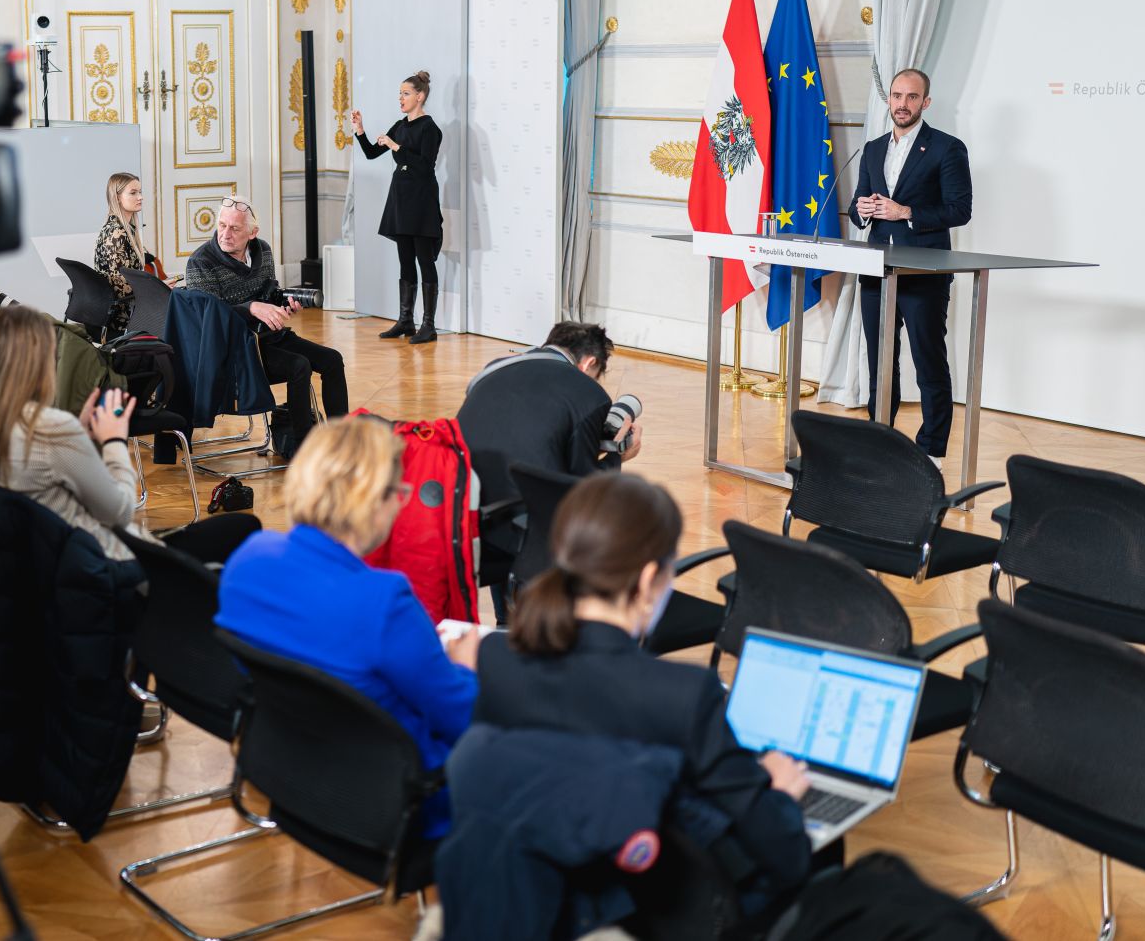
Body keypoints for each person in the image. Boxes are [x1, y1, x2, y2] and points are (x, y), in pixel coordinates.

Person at [473, 472, 814, 913]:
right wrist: (779, 793)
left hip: (523, 891)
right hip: (640, 904)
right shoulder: (684, 696)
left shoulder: (495, 658)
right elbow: (785, 857)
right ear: (650, 578)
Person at [216, 416, 479, 835]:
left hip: (286, 768)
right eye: (399, 491)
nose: (401, 503)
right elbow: (462, 717)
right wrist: (466, 666)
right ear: (371, 500)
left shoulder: (249, 558)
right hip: (395, 800)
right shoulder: (384, 602)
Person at [0, 307, 255, 564]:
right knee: (243, 527)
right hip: (102, 561)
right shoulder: (50, 427)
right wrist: (113, 441)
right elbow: (120, 512)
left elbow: (61, 486)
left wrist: (82, 436)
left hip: (43, 559)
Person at [456, 321, 643, 616]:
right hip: (526, 538)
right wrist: (617, 458)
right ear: (589, 363)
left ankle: (506, 619)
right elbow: (581, 491)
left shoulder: (491, 370)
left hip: (460, 519)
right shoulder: (588, 394)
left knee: (501, 489)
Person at [849, 68, 972, 466]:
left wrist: (907, 212)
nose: (902, 104)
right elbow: (855, 208)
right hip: (875, 272)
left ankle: (932, 451)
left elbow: (959, 210)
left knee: (928, 360)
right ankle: (880, 441)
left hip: (923, 275)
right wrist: (862, 210)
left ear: (925, 103)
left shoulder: (947, 148)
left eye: (912, 97)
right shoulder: (871, 148)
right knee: (880, 363)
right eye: (897, 96)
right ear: (889, 100)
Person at [183, 197, 347, 446]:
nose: (225, 234)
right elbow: (209, 320)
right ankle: (304, 449)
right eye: (222, 225)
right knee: (299, 365)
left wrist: (283, 306)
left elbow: (270, 293)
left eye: (235, 228)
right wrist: (252, 308)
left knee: (333, 360)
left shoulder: (263, 250)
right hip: (234, 350)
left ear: (252, 232)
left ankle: (344, 439)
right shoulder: (200, 262)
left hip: (268, 337)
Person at [352, 70, 444, 344]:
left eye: (405, 93)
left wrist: (396, 147)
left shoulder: (430, 129)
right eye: (399, 93)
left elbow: (425, 167)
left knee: (424, 260)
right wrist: (360, 130)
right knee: (405, 259)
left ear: (420, 96)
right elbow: (371, 153)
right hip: (400, 199)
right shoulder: (400, 125)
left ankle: (429, 325)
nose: (401, 98)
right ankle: (406, 320)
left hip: (422, 200)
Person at [92, 171, 166, 333]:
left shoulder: (124, 228)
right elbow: (122, 287)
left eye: (140, 192)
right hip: (122, 314)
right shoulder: (116, 233)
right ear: (117, 197)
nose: (140, 197)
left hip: (126, 306)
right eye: (133, 193)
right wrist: (159, 287)